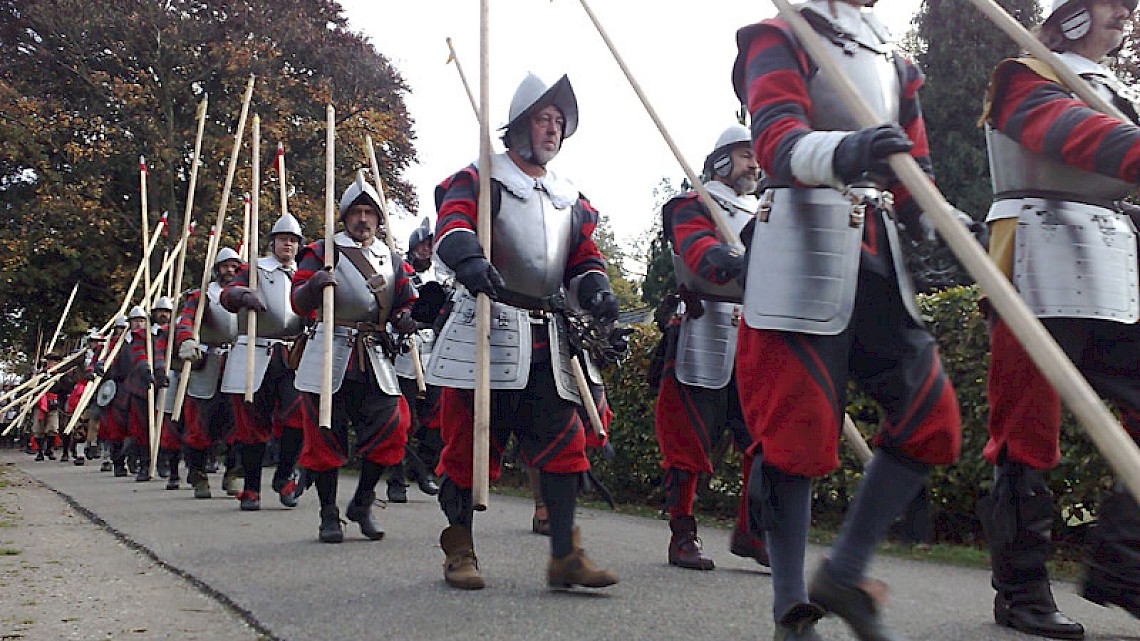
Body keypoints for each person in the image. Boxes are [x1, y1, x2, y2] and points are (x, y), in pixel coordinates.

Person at [732, 2, 966, 638]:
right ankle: (791, 610)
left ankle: (844, 571)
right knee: (795, 434)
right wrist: (851, 149)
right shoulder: (780, 34)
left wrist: (931, 212)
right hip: (800, 247)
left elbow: (911, 163)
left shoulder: (895, 60)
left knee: (931, 417)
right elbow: (776, 141)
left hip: (876, 254)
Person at [978, 0, 1140, 635]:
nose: (1125, 13)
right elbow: (1063, 132)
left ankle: (1122, 563)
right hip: (1035, 249)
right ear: (1072, 13)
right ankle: (1020, 593)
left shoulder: (1117, 90)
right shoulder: (1023, 74)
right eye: (1111, 3)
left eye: (1130, 6)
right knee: (1026, 433)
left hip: (1113, 257)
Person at [427, 73, 620, 591]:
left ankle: (564, 556)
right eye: (544, 119)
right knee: (468, 445)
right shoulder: (480, 177)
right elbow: (453, 224)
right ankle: (460, 548)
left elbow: (582, 256)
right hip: (485, 323)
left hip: (546, 331)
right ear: (517, 126)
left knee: (563, 442)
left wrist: (597, 290)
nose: (554, 129)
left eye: (560, 122)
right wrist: (468, 258)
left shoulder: (568, 196)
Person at [654, 124, 768, 571]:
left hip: (756, 332)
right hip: (704, 329)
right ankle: (683, 535)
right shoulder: (692, 204)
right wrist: (727, 258)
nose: (754, 164)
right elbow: (699, 252)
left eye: (756, 156)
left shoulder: (765, 211)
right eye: (744, 155)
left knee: (762, 440)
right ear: (721, 160)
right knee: (688, 441)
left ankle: (751, 531)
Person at [289, 171, 417, 543]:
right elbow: (297, 301)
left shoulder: (391, 259)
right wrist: (315, 285)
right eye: (356, 212)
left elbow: (405, 299)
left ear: (378, 219)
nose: (363, 219)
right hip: (328, 350)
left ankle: (362, 501)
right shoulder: (321, 251)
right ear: (345, 217)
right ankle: (328, 513)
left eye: (370, 213)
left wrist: (405, 317)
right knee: (324, 436)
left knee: (392, 429)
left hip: (375, 357)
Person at [220, 213, 309, 511]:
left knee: (299, 415)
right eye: (284, 238)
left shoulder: (303, 273)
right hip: (255, 349)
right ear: (273, 241)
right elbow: (227, 294)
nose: (289, 244)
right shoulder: (254, 269)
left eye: (294, 240)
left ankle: (284, 475)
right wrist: (244, 295)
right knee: (251, 423)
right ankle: (251, 487)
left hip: (292, 354)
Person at [176, 249, 242, 498]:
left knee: (238, 423)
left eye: (235, 266)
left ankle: (233, 474)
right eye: (226, 266)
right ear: (217, 269)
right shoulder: (201, 296)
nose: (231, 271)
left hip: (238, 360)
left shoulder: (246, 292)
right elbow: (186, 320)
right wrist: (186, 340)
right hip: (208, 360)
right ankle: (198, 474)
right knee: (200, 425)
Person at [388, 217, 446, 503]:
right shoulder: (398, 274)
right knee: (402, 422)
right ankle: (397, 480)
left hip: (433, 356)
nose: (427, 250)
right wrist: (399, 320)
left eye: (431, 246)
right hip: (402, 355)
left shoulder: (444, 279)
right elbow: (384, 310)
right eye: (423, 245)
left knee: (436, 420)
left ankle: (423, 467)